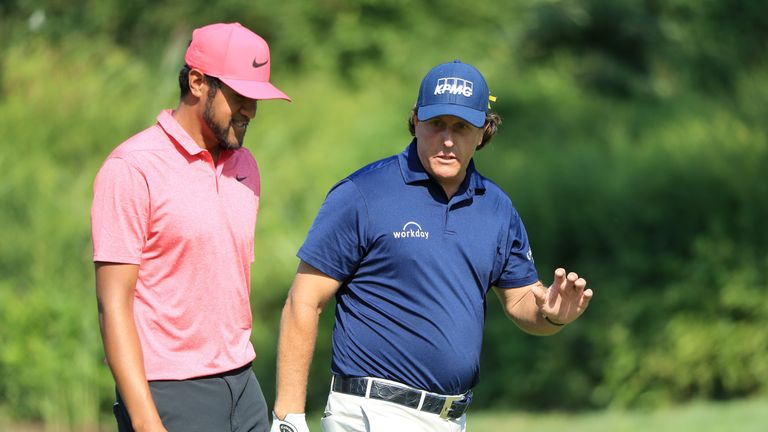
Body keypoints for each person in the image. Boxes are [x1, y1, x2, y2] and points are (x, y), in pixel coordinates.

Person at [270, 60, 593, 432]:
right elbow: (304, 300)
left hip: (452, 419)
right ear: (416, 121)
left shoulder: (496, 208)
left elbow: (522, 301)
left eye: (461, 127)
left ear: (483, 131)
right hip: (371, 413)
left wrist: (553, 315)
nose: (448, 140)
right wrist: (288, 416)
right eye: (436, 124)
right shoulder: (364, 194)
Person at [91, 22, 290, 432]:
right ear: (198, 82)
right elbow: (113, 306)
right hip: (170, 392)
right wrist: (146, 421)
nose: (251, 111)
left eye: (257, 99)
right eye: (241, 97)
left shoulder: (246, 166)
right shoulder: (133, 168)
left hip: (243, 384)